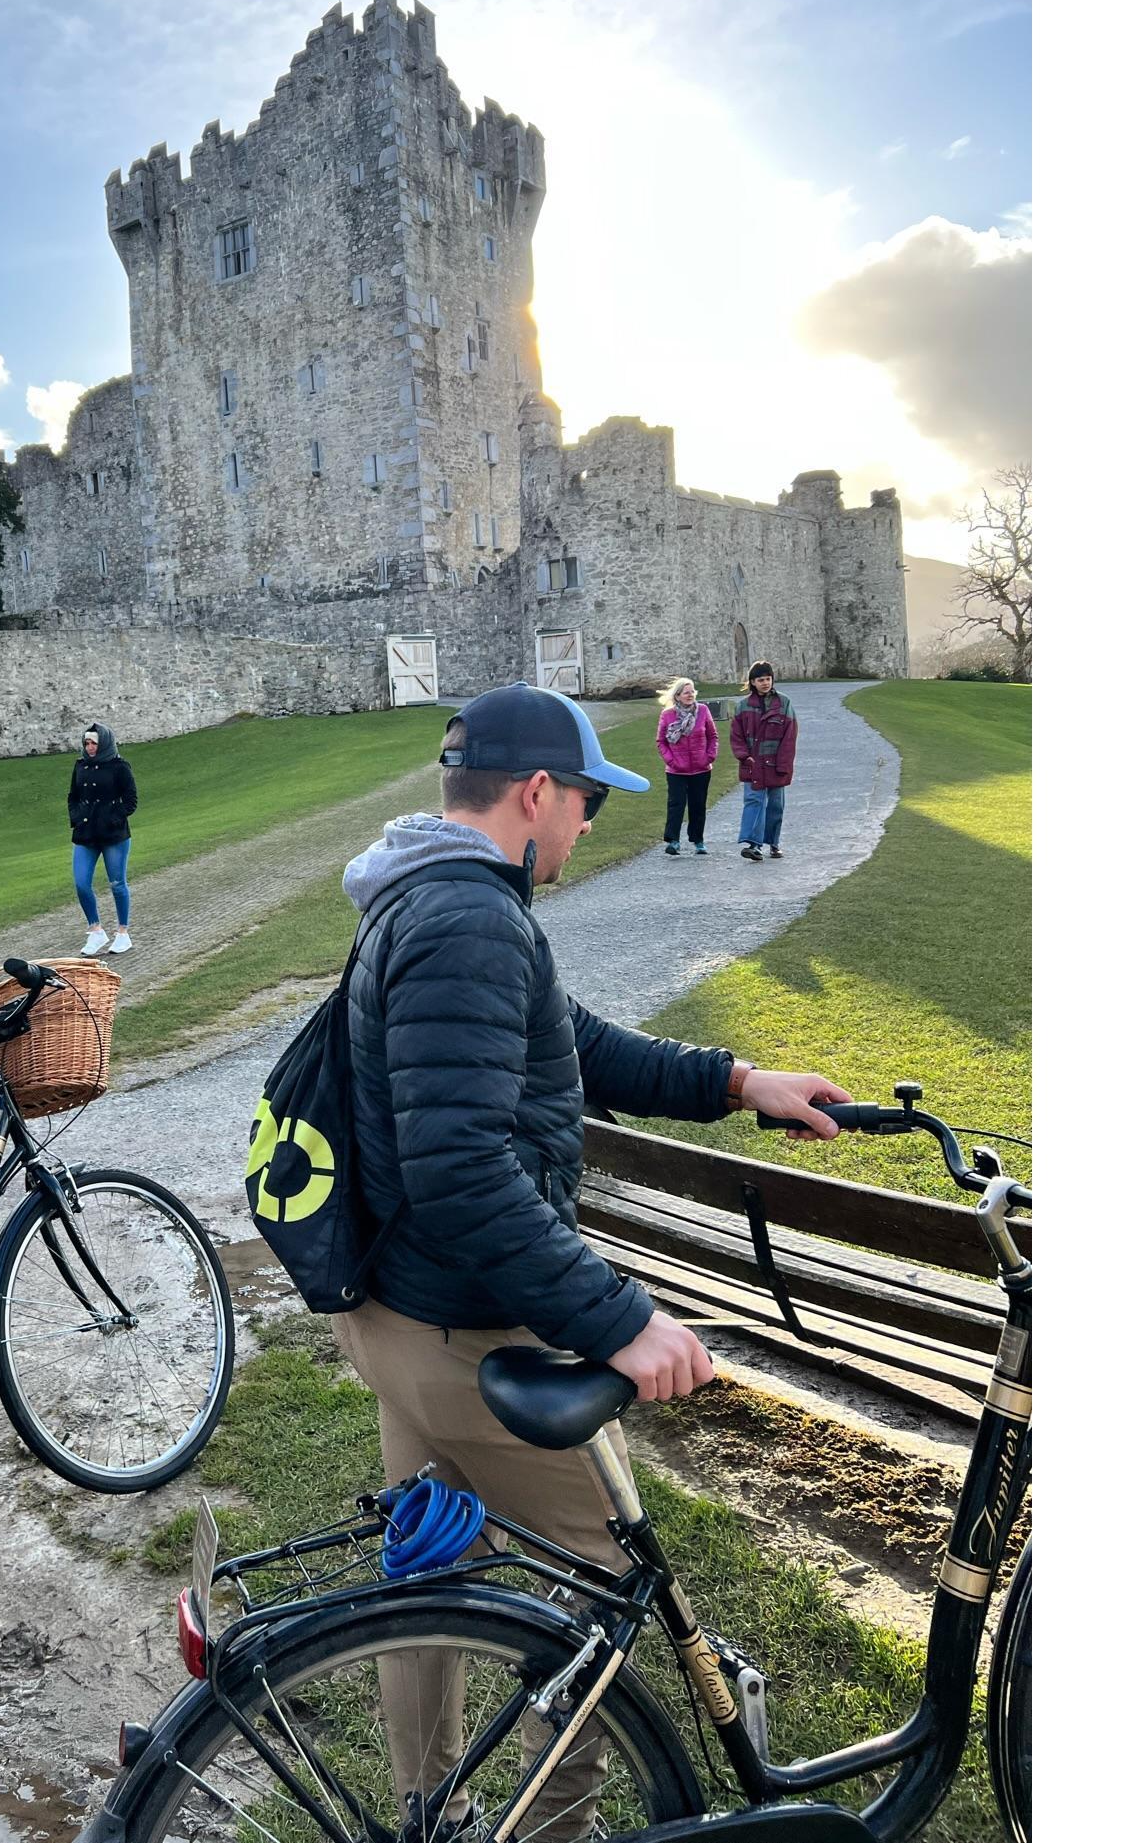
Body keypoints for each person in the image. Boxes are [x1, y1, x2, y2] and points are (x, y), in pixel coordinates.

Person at [336, 682, 851, 1843]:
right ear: (533, 794)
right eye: (585, 804)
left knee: (429, 1572)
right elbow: (460, 1168)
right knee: (605, 1601)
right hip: (466, 1330)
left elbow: (565, 1037)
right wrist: (617, 1318)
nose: (587, 826)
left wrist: (734, 1081)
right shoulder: (466, 917)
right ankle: (542, 1834)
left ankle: (434, 1817)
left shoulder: (431, 895)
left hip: (408, 1312)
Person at [68, 721, 137, 955]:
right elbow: (73, 797)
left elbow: (130, 800)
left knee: (117, 883)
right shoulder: (80, 766)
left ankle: (123, 933)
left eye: (93, 743)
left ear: (104, 743)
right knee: (81, 882)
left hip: (113, 834)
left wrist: (113, 818)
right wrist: (76, 818)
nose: (89, 747)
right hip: (86, 833)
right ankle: (96, 931)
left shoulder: (119, 766)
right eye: (86, 743)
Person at [729, 660, 798, 862]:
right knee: (753, 801)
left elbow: (790, 736)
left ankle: (773, 843)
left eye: (768, 679)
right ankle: (753, 844)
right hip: (753, 763)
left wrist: (784, 764)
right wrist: (744, 756)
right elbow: (736, 736)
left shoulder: (784, 703)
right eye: (761, 680)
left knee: (775, 805)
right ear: (752, 682)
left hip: (776, 763)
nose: (765, 683)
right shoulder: (742, 706)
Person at [653, 676, 717, 855]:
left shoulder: (703, 711)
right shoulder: (667, 715)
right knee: (676, 804)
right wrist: (671, 761)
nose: (690, 695)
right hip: (676, 770)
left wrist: (709, 757)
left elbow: (713, 736)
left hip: (701, 768)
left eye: (692, 692)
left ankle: (698, 840)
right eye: (686, 692)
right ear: (678, 695)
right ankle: (673, 841)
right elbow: (661, 741)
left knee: (698, 805)